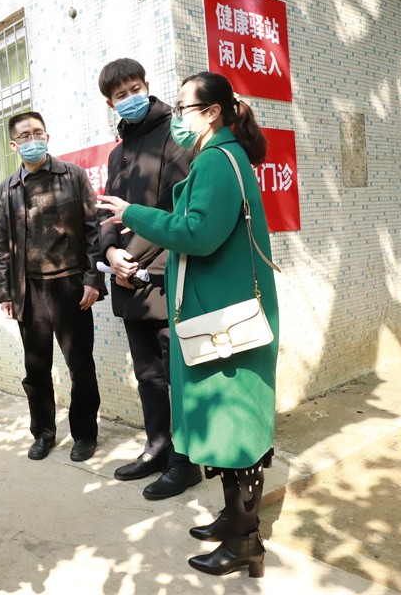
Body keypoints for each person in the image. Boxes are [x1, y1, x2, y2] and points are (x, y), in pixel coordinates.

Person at [97, 71, 279, 578]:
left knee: (235, 426)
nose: (176, 116)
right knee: (224, 422)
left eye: (183, 108)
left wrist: (135, 214)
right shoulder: (216, 156)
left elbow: (198, 233)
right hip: (220, 314)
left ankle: (245, 543)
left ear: (212, 112)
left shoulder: (218, 160)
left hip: (227, 321)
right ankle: (234, 518)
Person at [96, 58, 202, 500]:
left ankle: (186, 461)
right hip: (127, 279)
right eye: (120, 95)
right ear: (111, 103)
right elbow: (106, 212)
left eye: (135, 88)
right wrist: (110, 253)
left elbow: (177, 209)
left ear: (146, 86)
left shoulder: (175, 135)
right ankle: (157, 447)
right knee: (148, 374)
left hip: (163, 274)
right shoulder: (117, 152)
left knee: (177, 373)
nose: (130, 98)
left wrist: (132, 259)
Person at [0, 111, 106, 463]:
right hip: (28, 291)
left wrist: (92, 279)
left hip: (69, 285)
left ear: (47, 136)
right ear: (14, 145)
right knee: (36, 369)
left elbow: (94, 230)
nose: (33, 140)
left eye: (38, 132)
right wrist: (6, 293)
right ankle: (43, 433)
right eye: (25, 136)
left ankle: (84, 434)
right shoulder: (7, 188)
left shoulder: (72, 175)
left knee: (80, 366)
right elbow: (3, 244)